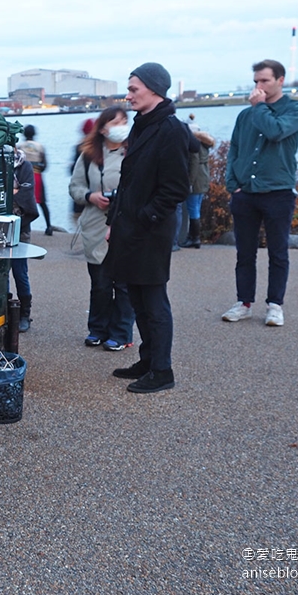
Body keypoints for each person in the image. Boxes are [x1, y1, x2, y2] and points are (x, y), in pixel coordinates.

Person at [107, 63, 190, 393]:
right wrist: (116, 220)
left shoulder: (170, 129)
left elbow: (175, 188)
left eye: (133, 89)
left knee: (154, 301)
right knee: (138, 298)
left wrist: (144, 217)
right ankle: (148, 359)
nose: (128, 96)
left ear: (155, 89)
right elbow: (128, 182)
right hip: (131, 228)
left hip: (150, 232)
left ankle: (162, 370)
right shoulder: (143, 125)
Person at [221, 59, 298, 327]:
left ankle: (275, 305)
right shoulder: (245, 116)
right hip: (245, 192)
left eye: (264, 81)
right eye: (256, 81)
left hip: (278, 192)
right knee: (244, 252)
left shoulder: (295, 109)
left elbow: (275, 131)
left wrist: (259, 106)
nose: (258, 86)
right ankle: (243, 302)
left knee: (278, 252)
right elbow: (234, 150)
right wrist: (232, 183)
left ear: (280, 80)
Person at [68, 105, 135, 351]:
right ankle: (97, 329)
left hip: (126, 225)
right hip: (95, 225)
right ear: (104, 127)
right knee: (100, 283)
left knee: (124, 285)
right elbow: (74, 188)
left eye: (124, 121)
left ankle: (120, 333)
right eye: (116, 122)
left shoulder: (134, 152)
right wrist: (91, 196)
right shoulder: (88, 155)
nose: (121, 127)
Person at [177, 113, 215, 249]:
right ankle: (194, 237)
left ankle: (194, 238)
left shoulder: (193, 146)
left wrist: (189, 183)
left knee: (193, 210)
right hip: (203, 179)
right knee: (196, 208)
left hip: (196, 181)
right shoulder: (205, 145)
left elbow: (193, 165)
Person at [10, 147, 38, 332]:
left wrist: (13, 192)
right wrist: (12, 190)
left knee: (20, 271)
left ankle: (24, 314)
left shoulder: (24, 165)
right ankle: (3, 310)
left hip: (21, 227)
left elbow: (26, 196)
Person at [19, 124, 53, 235]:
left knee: (21, 203)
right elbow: (45, 164)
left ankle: (22, 226)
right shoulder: (40, 147)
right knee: (42, 202)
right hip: (37, 175)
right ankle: (49, 226)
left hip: (23, 177)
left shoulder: (20, 147)